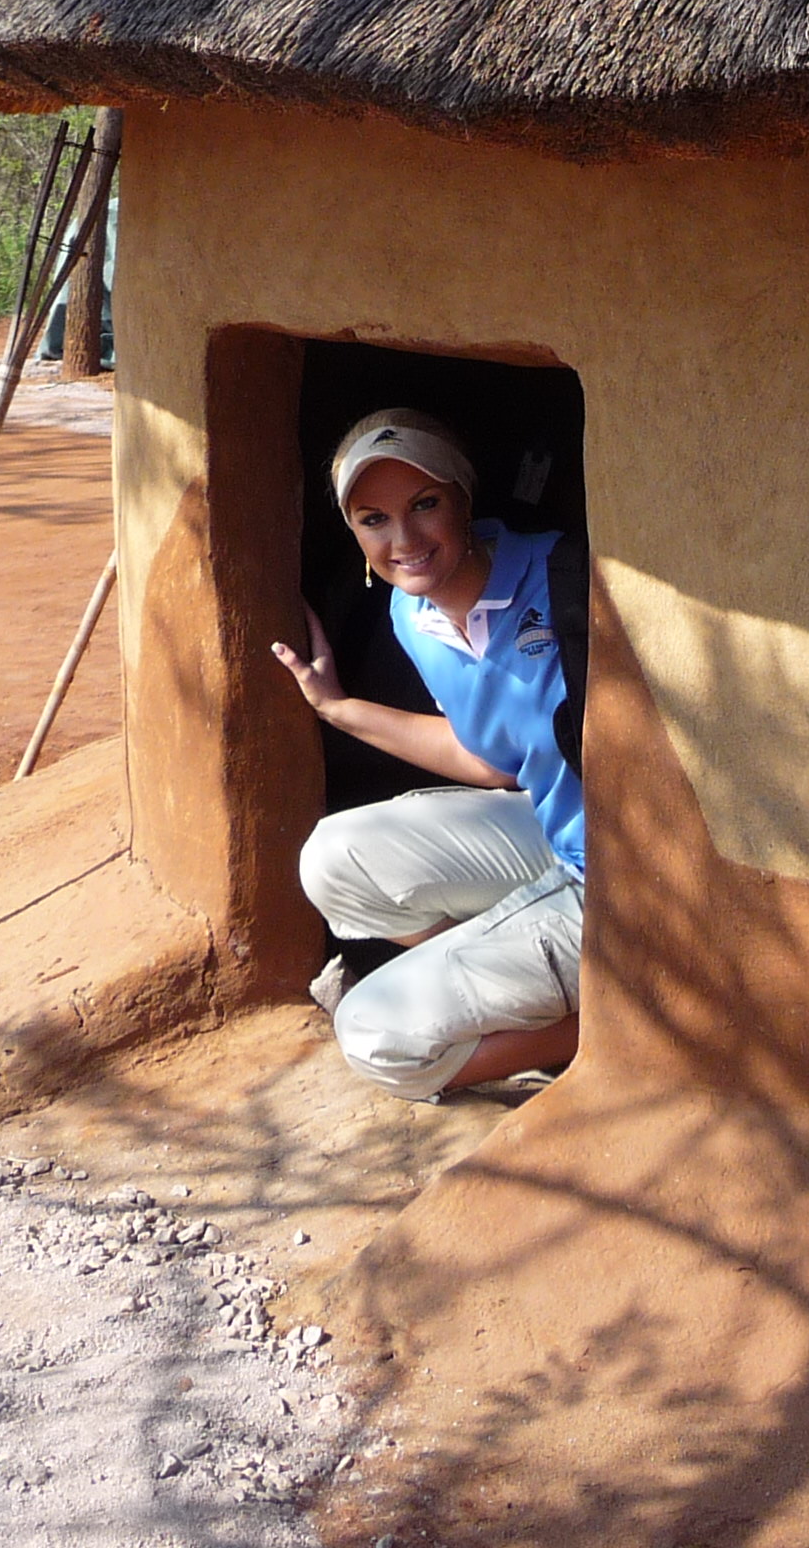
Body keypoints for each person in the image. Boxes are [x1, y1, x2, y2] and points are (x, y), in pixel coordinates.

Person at [274, 409, 584, 1100]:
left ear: (464, 499)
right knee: (332, 860)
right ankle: (514, 975)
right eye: (373, 518)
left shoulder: (567, 578)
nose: (404, 540)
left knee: (374, 1038)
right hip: (553, 832)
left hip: (629, 877)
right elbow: (493, 764)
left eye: (424, 504)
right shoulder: (412, 616)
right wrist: (338, 709)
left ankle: (615, 1021)